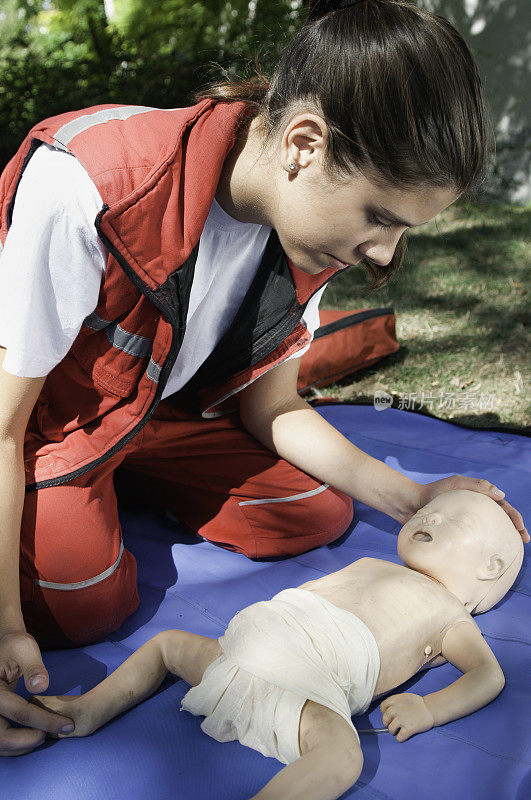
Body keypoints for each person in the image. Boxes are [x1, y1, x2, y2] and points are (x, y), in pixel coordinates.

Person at [0, 0, 527, 758]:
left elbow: (271, 403)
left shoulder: (303, 234)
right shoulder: (90, 183)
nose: (383, 254)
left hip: (151, 417)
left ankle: (109, 492)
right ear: (303, 145)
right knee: (85, 604)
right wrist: (7, 627)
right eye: (381, 217)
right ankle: (78, 503)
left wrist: (412, 496)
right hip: (50, 425)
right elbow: (4, 423)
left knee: (314, 512)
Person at [29, 490, 525, 800]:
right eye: (432, 509)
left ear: (491, 568)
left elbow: (488, 674)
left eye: (449, 519)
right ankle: (89, 709)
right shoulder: (380, 566)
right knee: (167, 644)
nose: (431, 516)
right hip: (251, 642)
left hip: (310, 680)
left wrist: (429, 708)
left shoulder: (450, 615)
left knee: (340, 757)